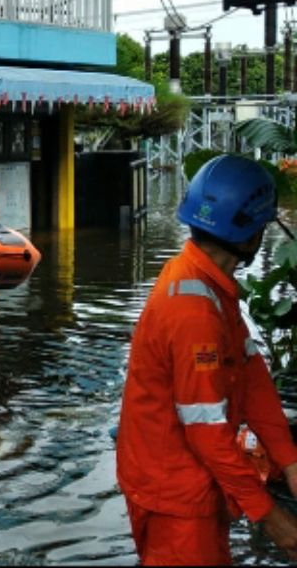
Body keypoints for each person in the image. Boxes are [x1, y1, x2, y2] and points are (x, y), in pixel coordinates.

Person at [117, 154, 297, 565]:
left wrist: (289, 461)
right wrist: (272, 518)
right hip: (173, 492)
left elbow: (251, 376)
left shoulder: (206, 283)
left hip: (190, 480)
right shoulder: (193, 311)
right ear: (251, 235)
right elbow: (207, 432)